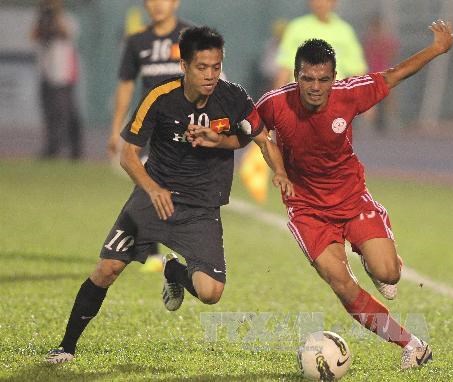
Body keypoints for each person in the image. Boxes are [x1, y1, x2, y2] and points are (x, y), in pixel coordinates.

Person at [190, 20, 453, 369]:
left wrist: (436, 49)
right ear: (296, 76)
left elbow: (394, 74)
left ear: (334, 77)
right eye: (307, 79)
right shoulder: (275, 103)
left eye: (323, 79)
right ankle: (413, 345)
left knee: (389, 274)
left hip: (351, 198)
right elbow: (249, 133)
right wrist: (218, 139)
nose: (315, 88)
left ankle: (375, 262)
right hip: (306, 209)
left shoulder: (349, 94)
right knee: (342, 284)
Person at [45, 26, 294, 364]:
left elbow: (262, 139)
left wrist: (278, 171)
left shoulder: (233, 98)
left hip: (202, 206)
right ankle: (66, 347)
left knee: (210, 294)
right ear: (184, 66)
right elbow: (128, 154)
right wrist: (151, 187)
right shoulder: (161, 97)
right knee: (107, 269)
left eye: (216, 67)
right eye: (201, 67)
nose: (210, 75)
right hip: (154, 197)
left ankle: (174, 272)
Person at [107, 0, 192, 156]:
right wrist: (115, 129)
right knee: (148, 178)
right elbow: (126, 85)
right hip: (150, 128)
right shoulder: (136, 41)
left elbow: (212, 78)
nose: (158, 4)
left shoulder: (192, 38)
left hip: (187, 126)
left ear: (175, 3)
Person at [273, 0, 367, 88]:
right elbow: (285, 68)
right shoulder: (296, 28)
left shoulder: (344, 31)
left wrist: (367, 102)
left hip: (334, 97)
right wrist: (277, 101)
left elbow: (357, 71)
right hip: (301, 97)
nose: (319, 3)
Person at [31, 0, 83, 159]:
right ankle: (52, 147)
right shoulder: (42, 21)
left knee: (67, 113)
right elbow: (33, 35)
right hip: (46, 74)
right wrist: (42, 19)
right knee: (50, 113)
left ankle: (75, 149)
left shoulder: (67, 19)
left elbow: (67, 32)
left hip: (64, 74)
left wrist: (56, 15)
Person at [362, 14, 400, 133]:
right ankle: (371, 126)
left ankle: (391, 124)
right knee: (372, 102)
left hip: (384, 74)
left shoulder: (384, 40)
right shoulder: (369, 41)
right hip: (374, 74)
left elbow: (393, 54)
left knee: (388, 100)